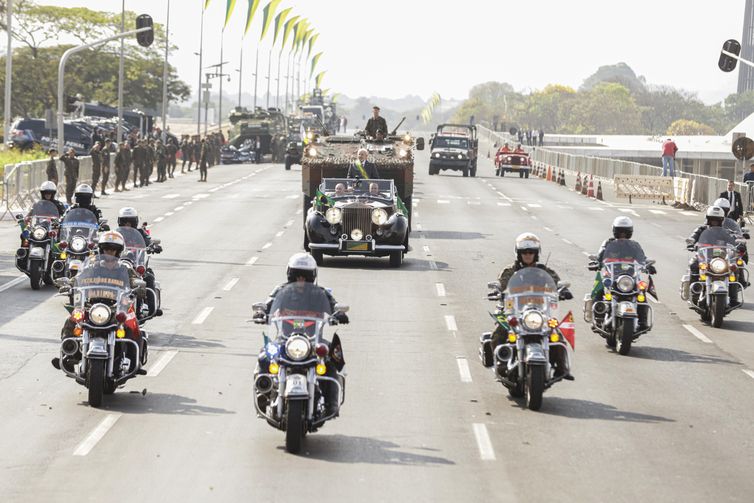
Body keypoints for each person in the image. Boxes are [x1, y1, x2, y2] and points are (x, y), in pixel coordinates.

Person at [253, 253, 348, 415]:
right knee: (265, 356)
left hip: (313, 341)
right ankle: (264, 393)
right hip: (284, 340)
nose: (301, 280)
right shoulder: (280, 291)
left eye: (305, 277)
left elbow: (334, 304)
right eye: (297, 276)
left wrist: (338, 313)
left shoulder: (320, 293)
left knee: (331, 359)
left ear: (312, 277)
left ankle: (331, 403)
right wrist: (262, 312)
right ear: (291, 275)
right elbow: (268, 304)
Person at [52, 231, 147, 373]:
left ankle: (135, 362)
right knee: (72, 320)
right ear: (101, 250)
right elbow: (78, 278)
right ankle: (68, 355)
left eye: (113, 250)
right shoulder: (92, 267)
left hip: (116, 307)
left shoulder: (124, 269)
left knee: (132, 325)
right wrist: (69, 284)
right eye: (107, 249)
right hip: (92, 306)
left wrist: (139, 287)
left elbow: (134, 281)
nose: (109, 252)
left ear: (118, 252)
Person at [481, 233, 573, 378]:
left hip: (539, 310)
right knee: (498, 333)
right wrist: (497, 290)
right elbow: (502, 282)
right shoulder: (510, 271)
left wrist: (563, 290)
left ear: (536, 254)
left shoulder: (544, 271)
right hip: (514, 310)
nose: (528, 255)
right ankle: (501, 363)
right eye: (525, 252)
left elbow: (556, 282)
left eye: (531, 252)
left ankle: (562, 368)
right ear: (519, 253)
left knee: (556, 335)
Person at [589, 217, 656, 328]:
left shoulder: (634, 245)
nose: (623, 234)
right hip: (611, 276)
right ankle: (598, 318)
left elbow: (642, 258)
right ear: (615, 231)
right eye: (620, 231)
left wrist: (648, 266)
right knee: (599, 288)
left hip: (630, 277)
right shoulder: (608, 244)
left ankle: (643, 321)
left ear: (630, 232)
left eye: (625, 231)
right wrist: (597, 263)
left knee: (641, 293)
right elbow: (600, 256)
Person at [686, 206, 743, 306]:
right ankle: (694, 292)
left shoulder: (726, 231)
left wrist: (740, 243)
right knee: (693, 264)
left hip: (721, 257)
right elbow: (694, 235)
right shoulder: (702, 229)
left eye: (717, 220)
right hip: (704, 256)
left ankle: (733, 298)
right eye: (712, 219)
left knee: (734, 268)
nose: (714, 222)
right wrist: (691, 242)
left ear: (721, 220)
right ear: (708, 219)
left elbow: (734, 238)